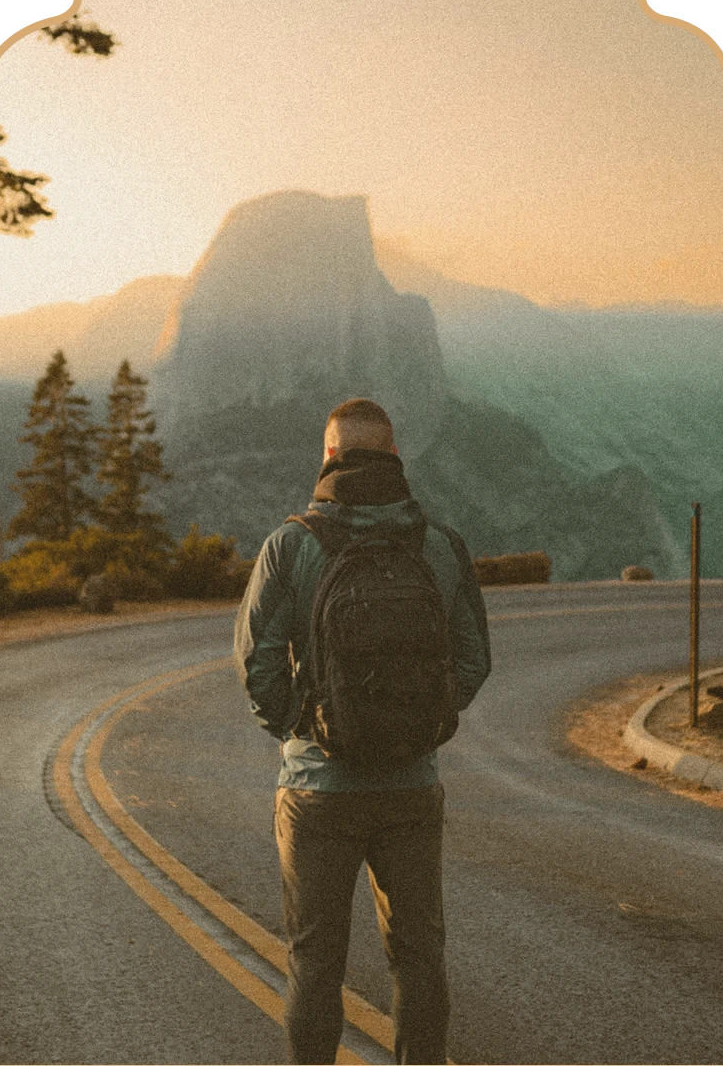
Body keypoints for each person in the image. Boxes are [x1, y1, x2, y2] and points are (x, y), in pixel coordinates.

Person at [234, 397, 491, 1065]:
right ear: (395, 457)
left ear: (328, 457)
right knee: (418, 959)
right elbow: (473, 659)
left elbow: (256, 662)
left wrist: (298, 724)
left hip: (317, 791)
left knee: (315, 963)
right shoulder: (439, 546)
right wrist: (427, 723)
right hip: (410, 789)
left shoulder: (290, 545)